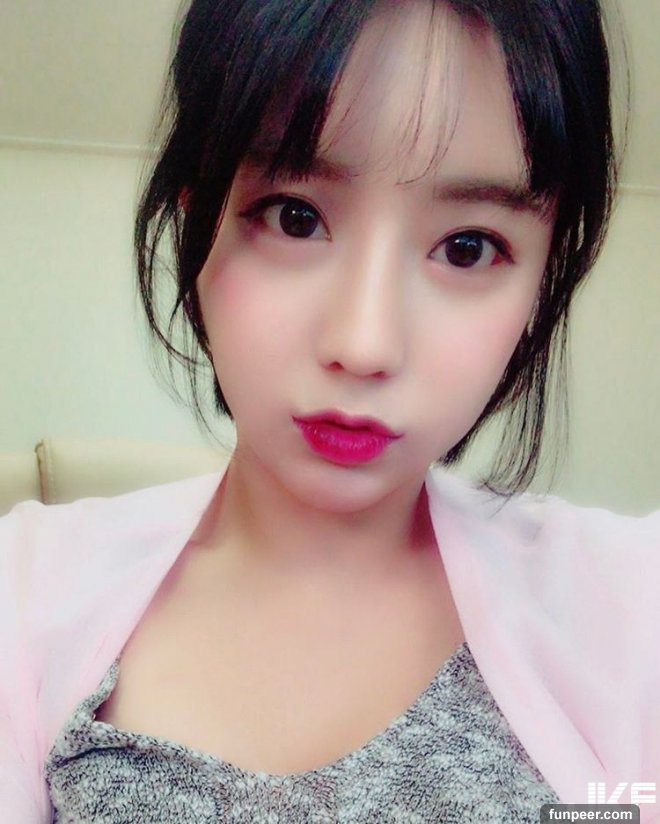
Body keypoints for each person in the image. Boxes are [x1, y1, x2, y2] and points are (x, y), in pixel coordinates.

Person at [1, 0, 658, 822]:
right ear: (194, 225)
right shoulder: (24, 593)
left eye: (467, 247)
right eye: (295, 217)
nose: (364, 343)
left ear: (541, 279)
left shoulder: (632, 604)